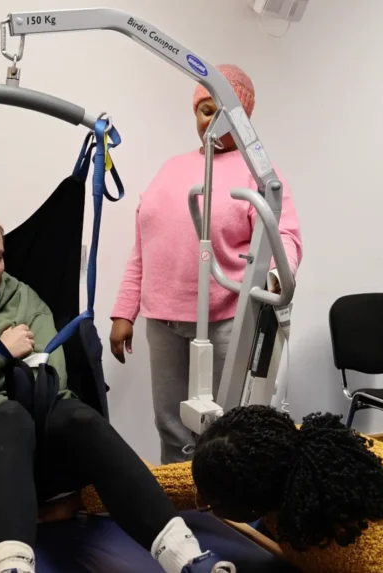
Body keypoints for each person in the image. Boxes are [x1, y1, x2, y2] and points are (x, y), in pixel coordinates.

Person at [0, 198, 236, 573]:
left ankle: (185, 557)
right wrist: (6, 352)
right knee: (9, 416)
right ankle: (10, 568)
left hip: (45, 419)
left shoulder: (24, 298)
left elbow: (49, 375)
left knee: (80, 416)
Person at [109, 64, 303, 464]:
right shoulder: (171, 168)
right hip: (162, 318)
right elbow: (143, 246)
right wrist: (124, 311)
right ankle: (180, 495)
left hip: (226, 317)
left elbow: (285, 235)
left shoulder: (259, 172)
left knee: (221, 425)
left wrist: (274, 275)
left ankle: (220, 503)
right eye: (205, 110)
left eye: (224, 112)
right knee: (171, 421)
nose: (211, 122)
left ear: (244, 118)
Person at [78, 405, 383, 572]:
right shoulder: (282, 447)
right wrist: (83, 498)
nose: (202, 506)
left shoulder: (349, 536)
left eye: (211, 504)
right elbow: (177, 483)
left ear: (252, 499)